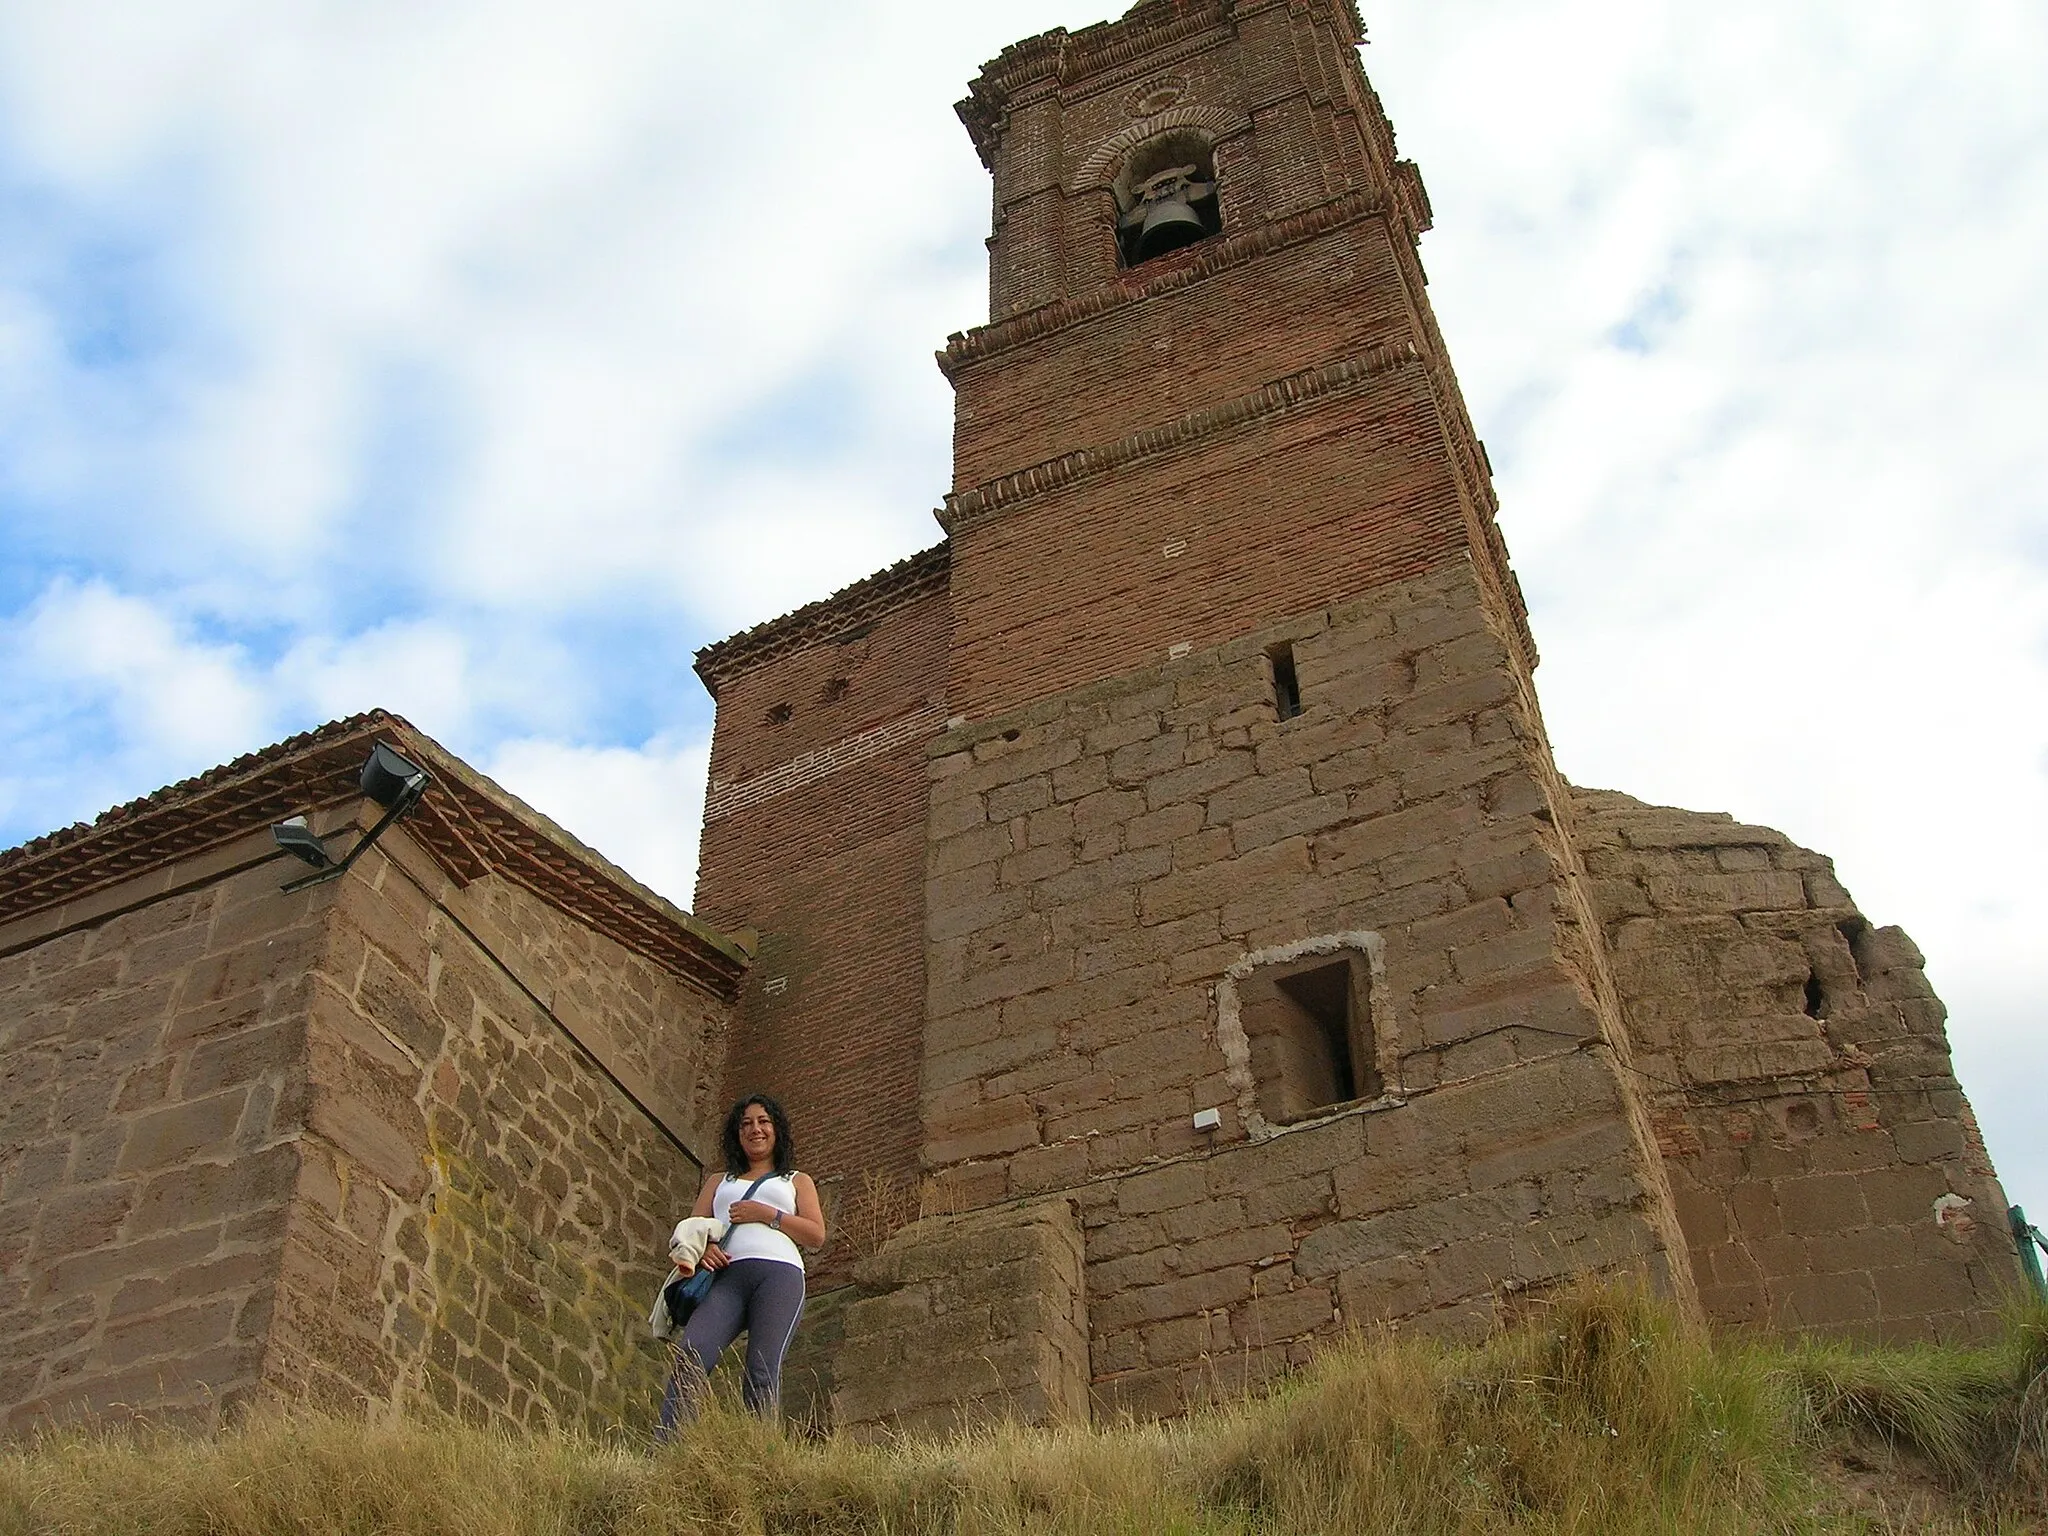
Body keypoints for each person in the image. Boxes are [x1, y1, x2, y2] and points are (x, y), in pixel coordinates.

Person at [656, 1094, 825, 1435]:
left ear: (776, 1130)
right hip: (725, 1278)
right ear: (736, 1133)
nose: (755, 1129)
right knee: (691, 1354)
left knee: (762, 1369)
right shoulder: (720, 1181)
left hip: (779, 1275)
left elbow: (816, 1235)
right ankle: (667, 1447)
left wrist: (769, 1215)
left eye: (763, 1121)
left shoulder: (795, 1180)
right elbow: (692, 1229)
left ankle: (760, 1452)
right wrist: (703, 1253)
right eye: (746, 1123)